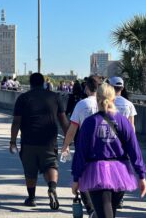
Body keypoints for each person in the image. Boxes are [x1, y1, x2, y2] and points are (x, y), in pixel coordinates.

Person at [71, 83, 146, 218]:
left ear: (97, 99)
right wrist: (141, 175)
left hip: (96, 172)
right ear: (114, 99)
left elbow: (80, 152)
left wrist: (76, 177)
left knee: (105, 213)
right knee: (109, 211)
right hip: (120, 173)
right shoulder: (123, 121)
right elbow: (134, 149)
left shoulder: (89, 122)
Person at [10, 73, 69, 209]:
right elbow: (63, 120)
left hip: (29, 140)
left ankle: (31, 198)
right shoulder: (54, 97)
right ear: (43, 83)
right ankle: (52, 188)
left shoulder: (23, 98)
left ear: (30, 84)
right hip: (49, 140)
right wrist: (68, 139)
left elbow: (16, 122)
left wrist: (12, 141)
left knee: (30, 170)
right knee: (51, 165)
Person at [61, 76, 101, 217]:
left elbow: (73, 129)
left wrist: (66, 145)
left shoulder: (82, 104)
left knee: (83, 178)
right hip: (105, 146)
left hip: (85, 146)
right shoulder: (107, 103)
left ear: (87, 88)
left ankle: (91, 210)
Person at [109, 76, 138, 208]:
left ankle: (109, 196)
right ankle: (119, 198)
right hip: (124, 142)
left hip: (108, 141)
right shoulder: (129, 104)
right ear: (122, 87)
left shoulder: (106, 103)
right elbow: (132, 127)